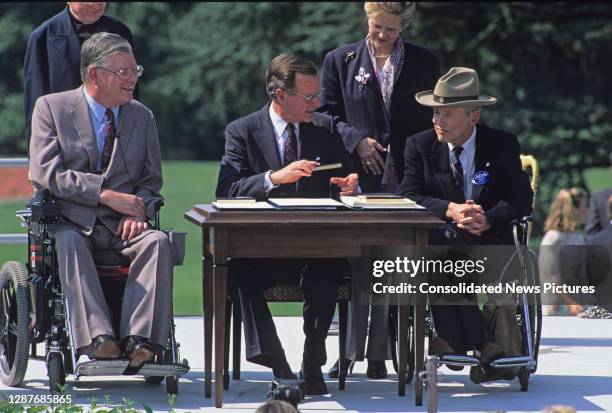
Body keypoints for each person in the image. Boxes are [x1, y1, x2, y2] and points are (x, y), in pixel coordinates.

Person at [216, 53, 358, 395]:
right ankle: (277, 362)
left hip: (316, 246)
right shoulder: (242, 131)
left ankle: (312, 363)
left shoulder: (324, 129)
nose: (318, 102)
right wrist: (272, 177)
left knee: (326, 272)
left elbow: (346, 180)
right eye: (309, 97)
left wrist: (350, 186)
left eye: (317, 94)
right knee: (235, 273)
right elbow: (226, 190)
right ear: (280, 95)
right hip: (262, 249)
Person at [28, 32, 171, 370]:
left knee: (159, 242)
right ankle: (99, 340)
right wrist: (105, 195)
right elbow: (46, 172)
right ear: (94, 74)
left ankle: (141, 341)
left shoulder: (141, 116)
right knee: (70, 242)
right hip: (71, 222)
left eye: (135, 70)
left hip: (124, 228)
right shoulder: (51, 108)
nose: (132, 78)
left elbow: (151, 182)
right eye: (123, 72)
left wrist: (140, 210)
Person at [319, 1, 440, 380]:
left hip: (407, 178)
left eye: (390, 29)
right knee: (357, 263)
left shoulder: (424, 62)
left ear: (403, 26)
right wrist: (357, 141)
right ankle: (353, 351)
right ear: (366, 20)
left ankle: (382, 353)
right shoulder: (340, 59)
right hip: (356, 178)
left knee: (393, 264)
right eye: (376, 27)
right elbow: (326, 114)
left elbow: (431, 118)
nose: (382, 35)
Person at [396, 67, 534, 383]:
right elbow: (408, 194)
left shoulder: (501, 145)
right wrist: (450, 208)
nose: (437, 121)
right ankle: (483, 343)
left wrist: (488, 218)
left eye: (447, 114)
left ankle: (452, 339)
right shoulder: (419, 145)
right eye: (435, 113)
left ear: (473, 116)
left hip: (488, 242)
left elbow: (520, 200)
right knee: (441, 248)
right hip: (441, 241)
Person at [24, 2, 136, 148]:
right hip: (65, 138)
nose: (95, 5)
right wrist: (36, 153)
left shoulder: (120, 32)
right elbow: (35, 100)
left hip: (114, 136)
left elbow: (131, 88)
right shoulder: (42, 37)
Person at [539, 188, 591, 316]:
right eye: (584, 206)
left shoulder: (578, 237)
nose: (587, 210)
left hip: (578, 306)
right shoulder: (553, 239)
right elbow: (550, 278)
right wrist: (571, 303)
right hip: (555, 309)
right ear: (572, 208)